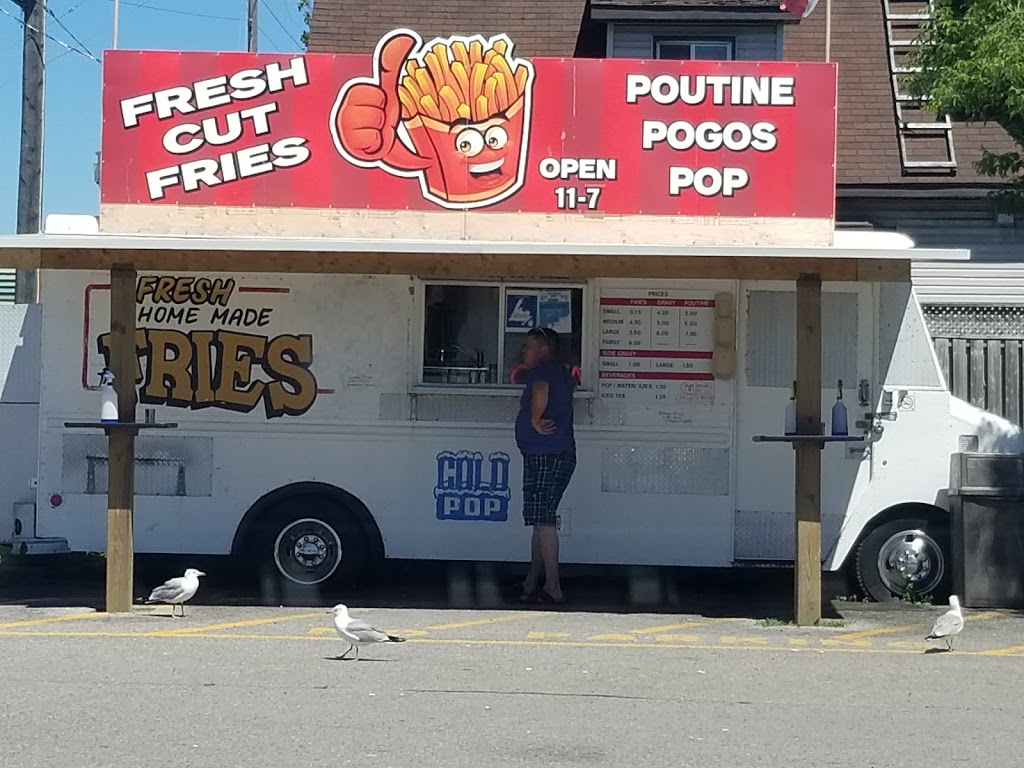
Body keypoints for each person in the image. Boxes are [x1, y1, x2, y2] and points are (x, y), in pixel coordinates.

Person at [514, 326, 577, 605]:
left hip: (544, 454)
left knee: (544, 521)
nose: (523, 351)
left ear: (544, 349)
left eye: (528, 346)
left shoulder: (542, 372)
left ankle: (552, 585)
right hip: (560, 453)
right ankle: (531, 580)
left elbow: (540, 391)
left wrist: (534, 419)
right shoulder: (563, 371)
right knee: (541, 519)